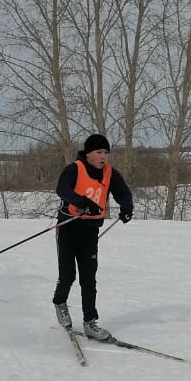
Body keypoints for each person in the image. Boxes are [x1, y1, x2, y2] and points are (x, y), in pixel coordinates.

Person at [52, 133, 133, 340]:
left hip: (90, 231)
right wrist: (82, 202)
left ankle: (90, 323)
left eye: (106, 152)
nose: (103, 156)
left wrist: (126, 207)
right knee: (68, 275)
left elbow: (123, 192)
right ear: (88, 154)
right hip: (68, 228)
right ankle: (60, 303)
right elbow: (62, 189)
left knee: (89, 279)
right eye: (99, 152)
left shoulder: (109, 173)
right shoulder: (74, 169)